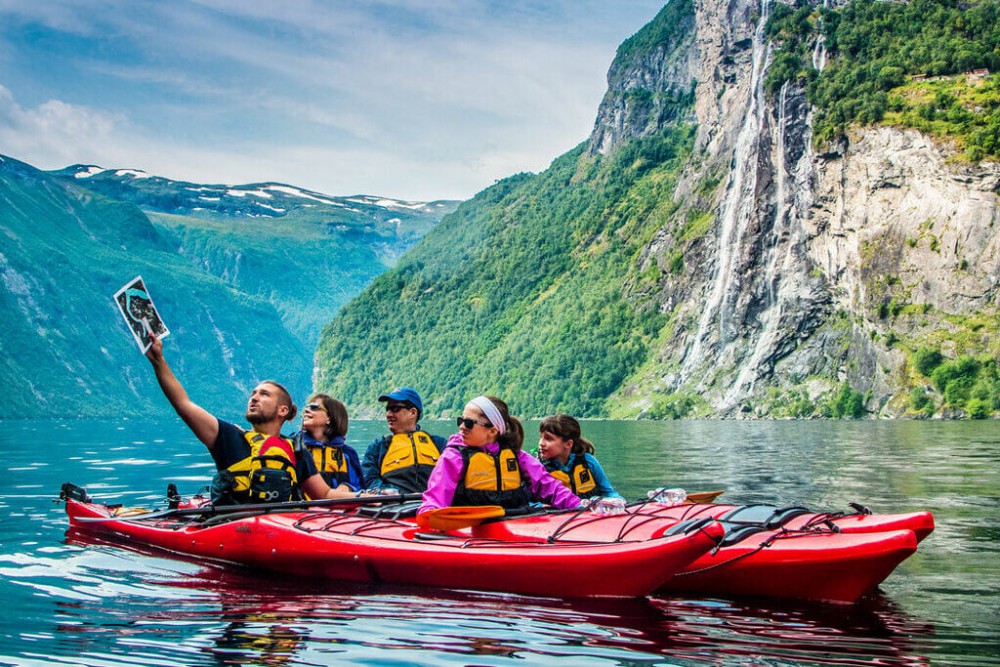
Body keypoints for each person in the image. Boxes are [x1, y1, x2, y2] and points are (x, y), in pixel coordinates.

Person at [144, 334, 345, 504]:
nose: (254, 397)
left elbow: (325, 494)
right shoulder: (228, 437)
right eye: (253, 393)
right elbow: (183, 404)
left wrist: (369, 495)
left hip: (283, 527)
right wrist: (159, 361)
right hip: (236, 526)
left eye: (264, 394)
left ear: (282, 410)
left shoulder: (296, 451)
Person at [417, 396, 581, 517]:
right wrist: (429, 514)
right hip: (471, 530)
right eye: (461, 420)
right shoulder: (454, 457)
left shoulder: (516, 456)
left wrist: (578, 505)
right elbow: (436, 497)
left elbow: (547, 485)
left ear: (493, 431)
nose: (461, 426)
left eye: (469, 423)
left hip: (515, 523)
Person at [361, 387, 446, 494]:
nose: (388, 414)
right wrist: (383, 491)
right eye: (387, 409)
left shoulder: (438, 444)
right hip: (394, 505)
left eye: (395, 409)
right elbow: (368, 479)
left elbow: (451, 477)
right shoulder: (378, 446)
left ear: (413, 413)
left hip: (432, 504)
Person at [537, 414, 621, 500]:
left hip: (589, 510)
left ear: (568, 444)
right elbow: (529, 502)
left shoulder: (588, 461)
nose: (541, 443)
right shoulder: (537, 468)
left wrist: (618, 500)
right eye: (541, 437)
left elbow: (608, 492)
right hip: (555, 512)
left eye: (548, 439)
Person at [293, 393, 364, 493]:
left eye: (314, 407)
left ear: (329, 418)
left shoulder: (347, 454)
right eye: (307, 407)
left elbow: (359, 486)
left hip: (337, 507)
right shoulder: (294, 448)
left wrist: (348, 487)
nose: (306, 410)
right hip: (301, 507)